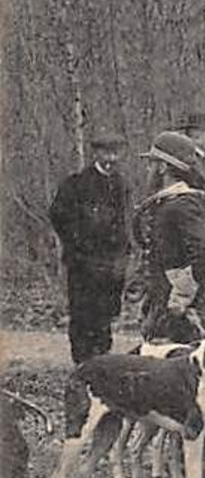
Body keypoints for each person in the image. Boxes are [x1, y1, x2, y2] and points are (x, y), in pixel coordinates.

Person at [48, 133, 130, 365]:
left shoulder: (121, 184)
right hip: (84, 266)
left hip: (111, 266)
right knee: (84, 317)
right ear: (96, 153)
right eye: (106, 152)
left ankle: (102, 366)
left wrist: (122, 256)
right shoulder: (77, 184)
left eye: (115, 153)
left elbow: (123, 224)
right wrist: (78, 248)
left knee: (105, 318)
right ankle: (83, 366)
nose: (111, 158)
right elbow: (58, 216)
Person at [133, 131, 205, 335]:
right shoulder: (168, 202)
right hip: (169, 302)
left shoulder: (182, 204)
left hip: (187, 309)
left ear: (162, 167)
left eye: (151, 164)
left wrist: (181, 295)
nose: (148, 170)